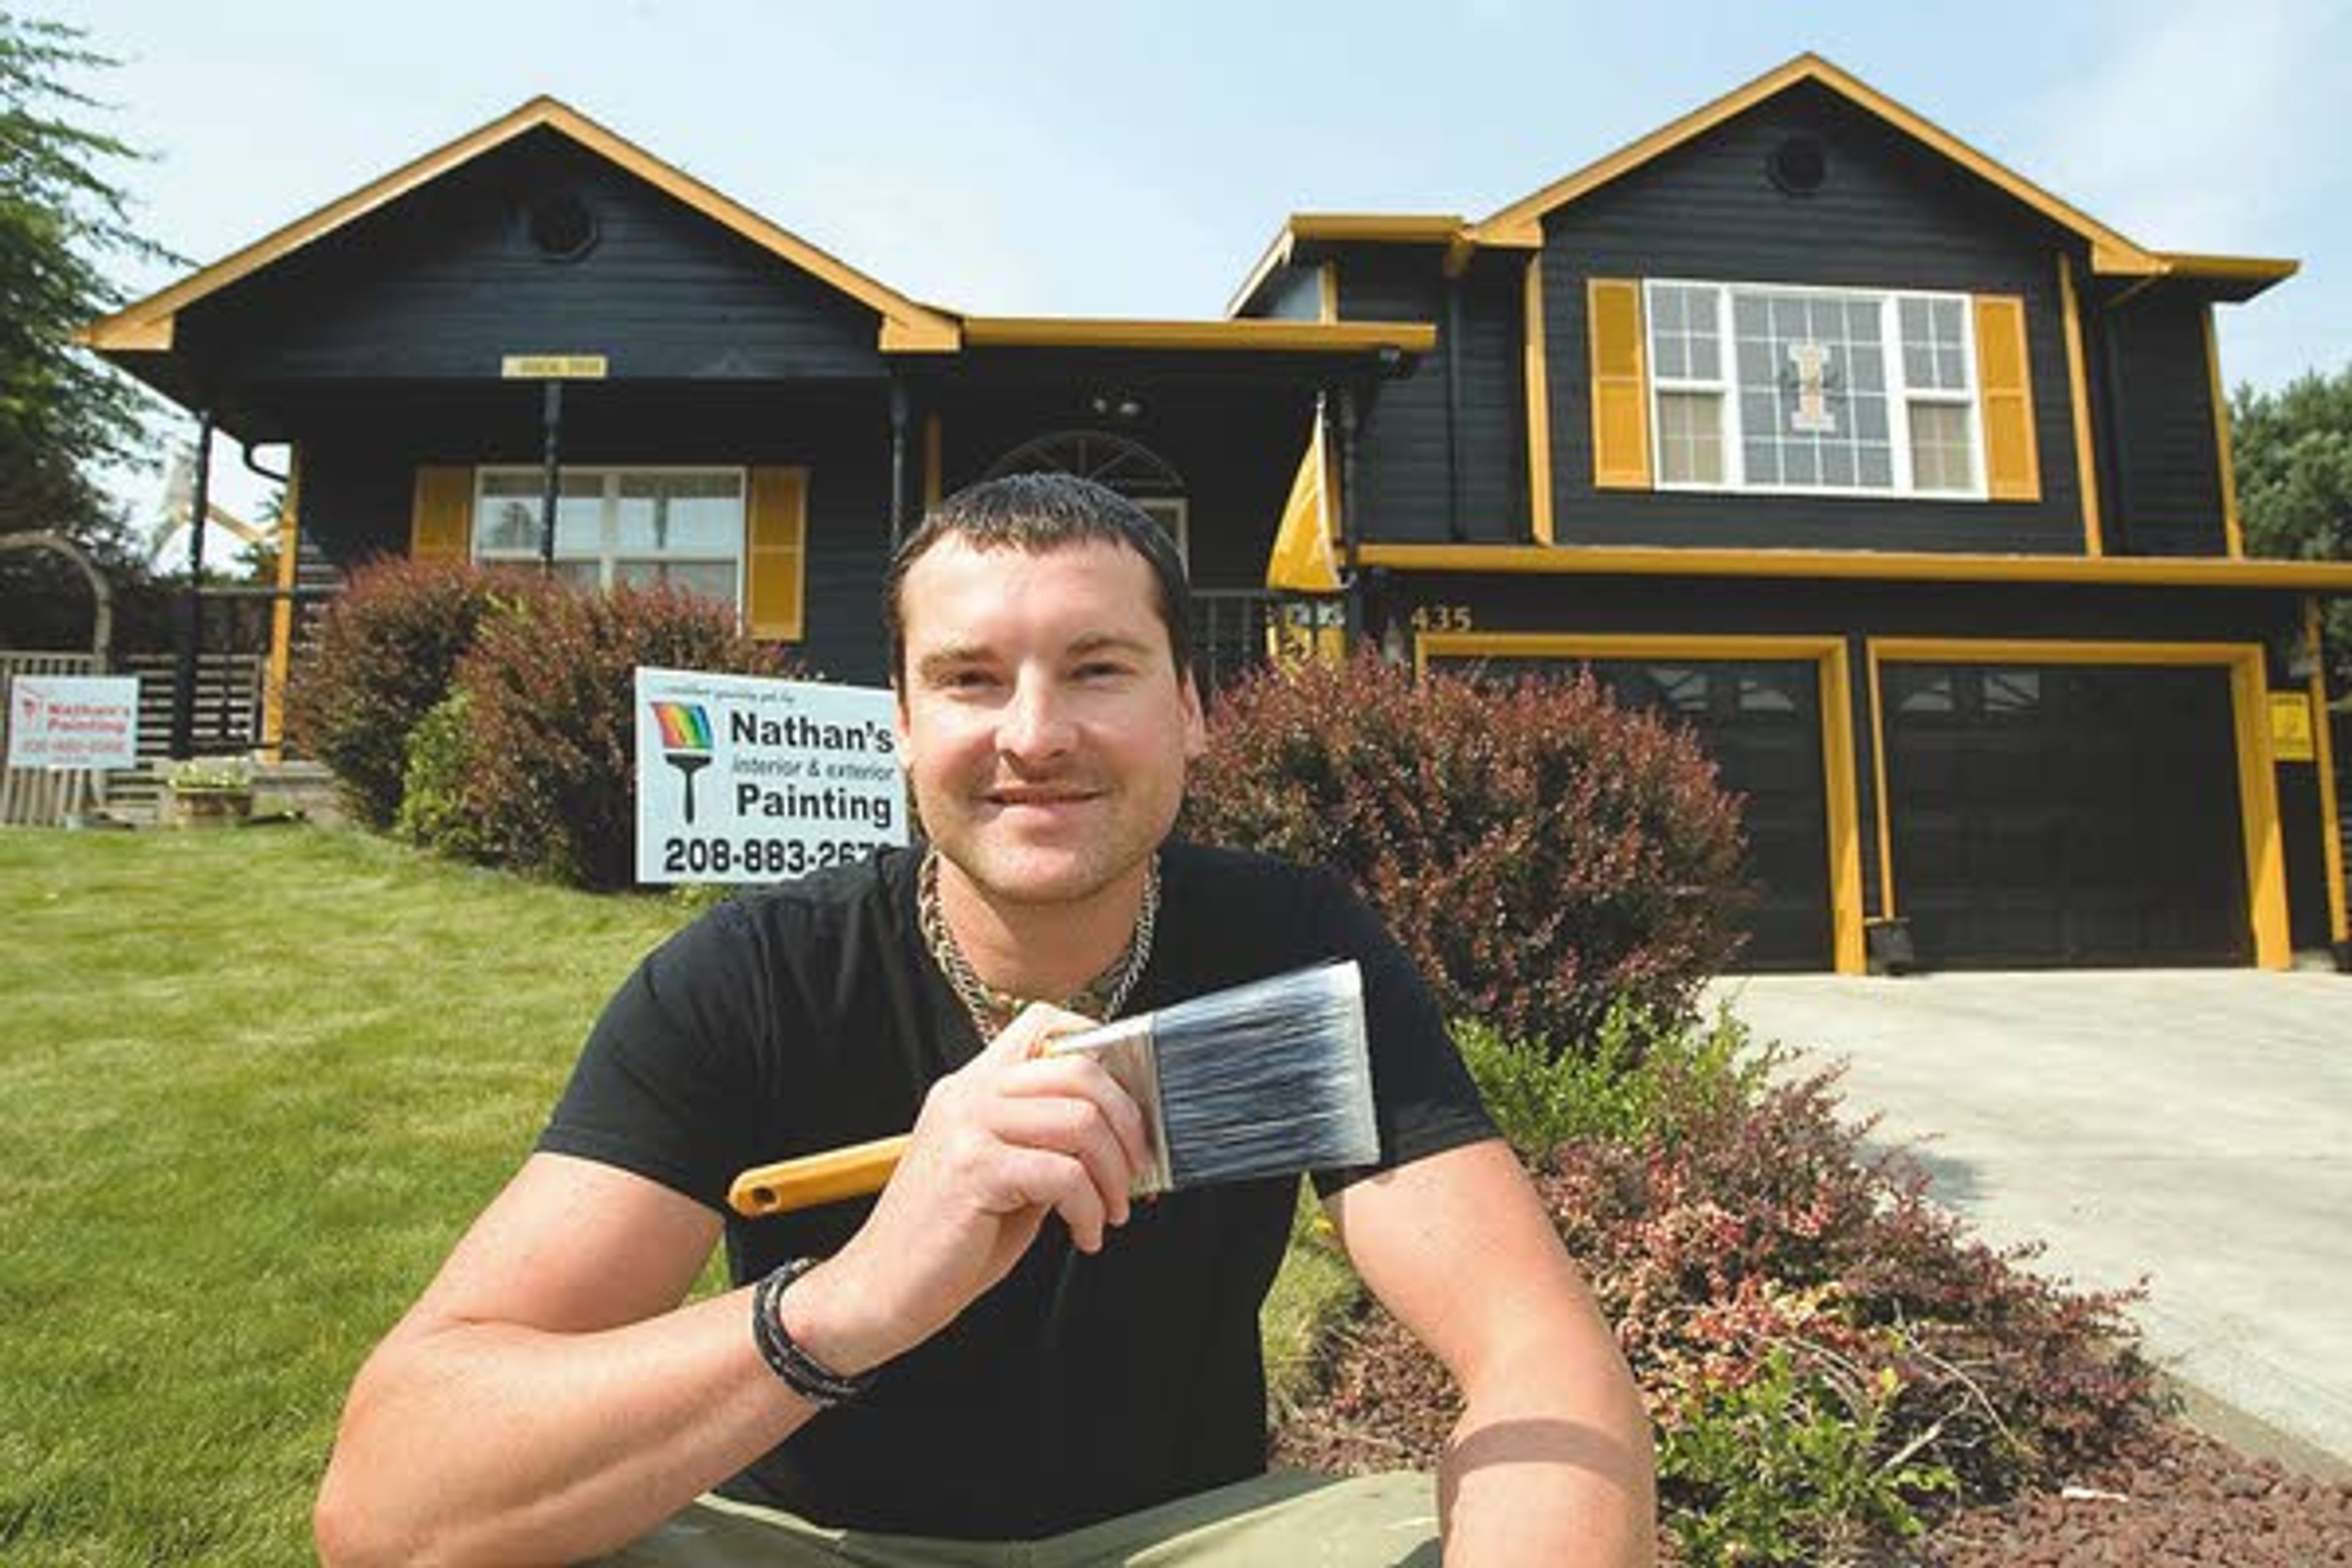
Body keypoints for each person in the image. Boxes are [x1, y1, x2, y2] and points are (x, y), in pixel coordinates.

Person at [312, 472, 1656, 1567]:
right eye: (969, 678)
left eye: (1097, 668)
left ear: (1191, 710)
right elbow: (389, 1503)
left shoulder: (1291, 950)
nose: (1034, 733)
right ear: (898, 721)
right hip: (803, 1543)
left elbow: (1538, 1355)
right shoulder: (749, 980)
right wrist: (845, 1303)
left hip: (1180, 1541)